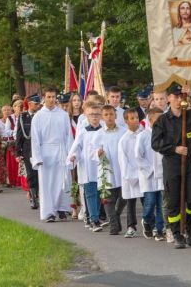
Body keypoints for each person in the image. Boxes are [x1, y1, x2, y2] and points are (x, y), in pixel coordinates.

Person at [151, 84, 191, 249]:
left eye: (182, 96)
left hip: (189, 163)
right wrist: (174, 148)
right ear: (168, 98)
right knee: (173, 201)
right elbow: (155, 143)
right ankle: (177, 233)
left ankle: (189, 227)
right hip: (172, 163)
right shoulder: (162, 120)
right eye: (176, 96)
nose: (179, 99)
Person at [30, 87, 74, 222]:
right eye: (48, 97)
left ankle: (62, 208)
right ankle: (49, 212)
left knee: (63, 181)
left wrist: (70, 154)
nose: (51, 99)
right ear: (44, 98)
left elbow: (69, 136)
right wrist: (37, 157)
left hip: (61, 151)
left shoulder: (63, 114)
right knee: (47, 184)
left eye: (53, 97)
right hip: (45, 153)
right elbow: (35, 139)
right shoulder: (38, 116)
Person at [67, 101, 103, 232]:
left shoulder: (104, 130)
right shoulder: (82, 131)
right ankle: (94, 220)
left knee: (99, 193)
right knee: (90, 192)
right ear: (86, 116)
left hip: (100, 166)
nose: (94, 117)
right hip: (87, 166)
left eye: (97, 114)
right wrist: (73, 156)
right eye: (92, 114)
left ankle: (90, 215)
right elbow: (77, 146)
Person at [92, 105, 127, 235]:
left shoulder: (123, 131)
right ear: (102, 117)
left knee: (124, 196)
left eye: (111, 114)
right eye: (106, 115)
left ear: (116, 115)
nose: (109, 117)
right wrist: (98, 153)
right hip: (107, 169)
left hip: (121, 168)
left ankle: (117, 214)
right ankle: (113, 223)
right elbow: (92, 151)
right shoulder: (99, 134)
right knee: (108, 198)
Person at [137, 108, 166, 241]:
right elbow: (138, 156)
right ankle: (146, 220)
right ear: (150, 120)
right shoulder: (142, 136)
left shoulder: (166, 134)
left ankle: (158, 229)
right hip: (148, 176)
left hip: (162, 174)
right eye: (158, 119)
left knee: (161, 204)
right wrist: (150, 169)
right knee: (150, 202)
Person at [117, 108, 144, 238]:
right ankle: (131, 226)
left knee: (147, 200)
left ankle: (150, 223)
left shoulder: (144, 135)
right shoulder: (123, 140)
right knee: (131, 202)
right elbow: (123, 162)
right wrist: (132, 176)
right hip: (131, 176)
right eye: (132, 118)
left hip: (145, 174)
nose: (136, 120)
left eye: (137, 118)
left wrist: (144, 172)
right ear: (126, 121)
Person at [15, 94, 41, 209]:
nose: (38, 105)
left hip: (40, 149)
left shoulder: (41, 115)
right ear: (30, 104)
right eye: (36, 104)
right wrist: (18, 152)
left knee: (39, 174)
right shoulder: (23, 117)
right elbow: (19, 135)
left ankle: (40, 196)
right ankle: (33, 198)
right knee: (31, 174)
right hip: (27, 149)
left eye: (38, 103)